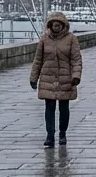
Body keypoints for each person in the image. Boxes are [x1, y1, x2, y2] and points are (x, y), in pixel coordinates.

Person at [29, 11, 83, 148]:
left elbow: (76, 60)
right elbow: (38, 60)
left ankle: (63, 133)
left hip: (66, 78)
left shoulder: (71, 39)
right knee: (49, 107)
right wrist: (33, 78)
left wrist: (76, 76)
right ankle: (50, 136)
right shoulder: (44, 39)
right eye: (54, 24)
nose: (56, 27)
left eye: (59, 25)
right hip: (48, 77)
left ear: (63, 25)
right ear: (50, 25)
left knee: (64, 108)